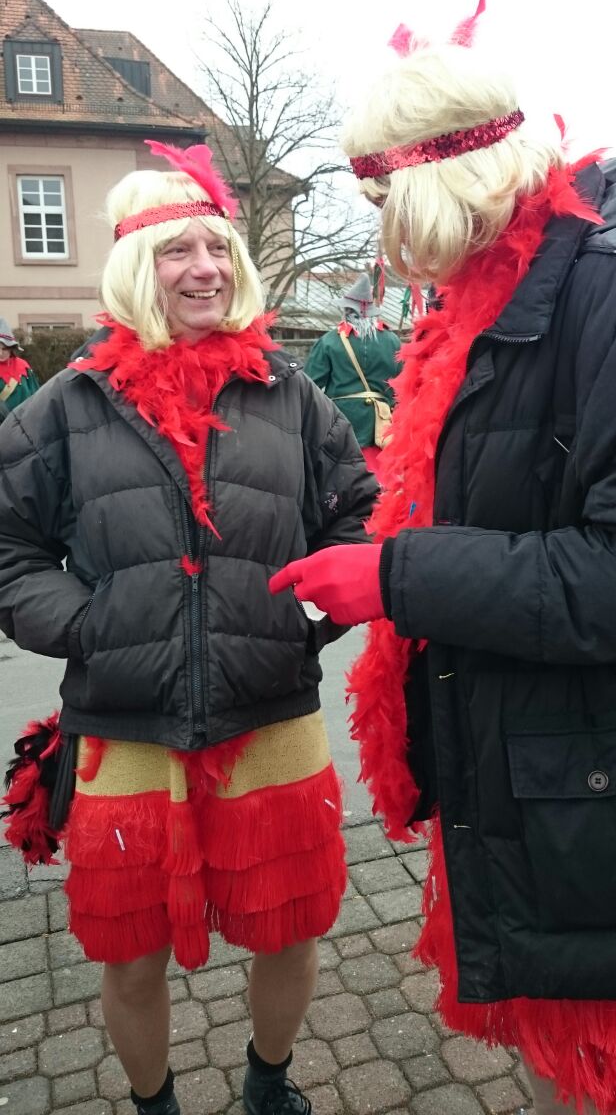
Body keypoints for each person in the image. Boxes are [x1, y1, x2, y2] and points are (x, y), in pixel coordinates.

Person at [268, 1, 616, 1115]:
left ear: (438, 185)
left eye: (386, 204)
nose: (384, 236)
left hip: (610, 778)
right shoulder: (494, 288)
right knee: (558, 1066)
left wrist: (398, 578)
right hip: (537, 768)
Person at [0, 141, 377, 1115]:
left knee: (291, 927)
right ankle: (154, 1103)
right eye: (178, 250)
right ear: (137, 265)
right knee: (131, 953)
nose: (204, 268)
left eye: (218, 248)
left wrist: (301, 612)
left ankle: (268, 1081)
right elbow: (9, 547)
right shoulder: (66, 407)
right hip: (124, 722)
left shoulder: (290, 395)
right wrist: (88, 624)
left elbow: (358, 514)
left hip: (273, 709)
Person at [303, 272, 401, 478]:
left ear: (347, 311)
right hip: (383, 428)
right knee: (382, 483)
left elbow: (308, 386)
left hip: (341, 425)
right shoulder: (392, 341)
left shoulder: (329, 341)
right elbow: (403, 387)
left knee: (343, 481)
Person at [0, 318, 40, 410]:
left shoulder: (23, 366)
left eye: (4, 349)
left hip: (25, 418)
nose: (0, 353)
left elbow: (36, 396)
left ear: (11, 348)